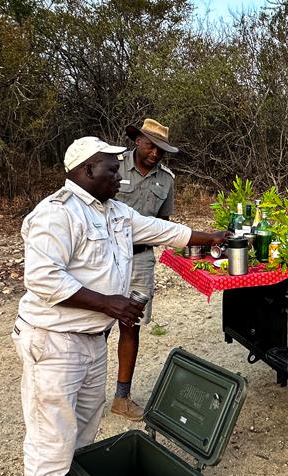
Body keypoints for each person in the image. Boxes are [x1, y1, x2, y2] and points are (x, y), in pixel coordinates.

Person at [12, 136, 226, 476]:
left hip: (92, 341)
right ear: (87, 170)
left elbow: (166, 231)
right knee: (51, 441)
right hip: (54, 340)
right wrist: (111, 304)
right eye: (112, 168)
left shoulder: (115, 212)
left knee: (83, 435)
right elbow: (43, 280)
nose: (120, 175)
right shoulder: (56, 214)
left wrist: (217, 237)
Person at [112, 118, 179, 421]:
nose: (155, 153)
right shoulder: (112, 166)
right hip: (105, 256)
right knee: (94, 326)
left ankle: (121, 397)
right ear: (137, 140)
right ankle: (80, 393)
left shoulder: (166, 179)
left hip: (140, 260)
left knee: (131, 326)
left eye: (161, 149)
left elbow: (163, 225)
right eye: (151, 145)